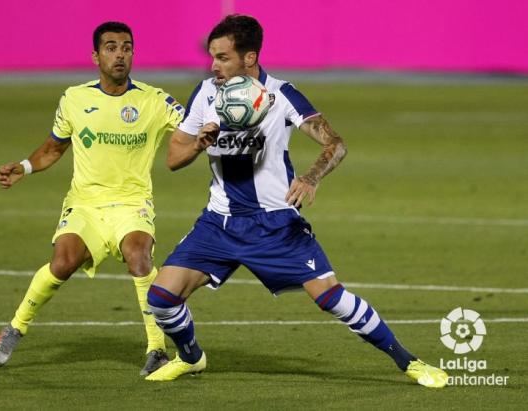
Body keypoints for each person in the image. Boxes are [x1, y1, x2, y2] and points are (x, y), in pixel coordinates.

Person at [144, 14, 448, 387]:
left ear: (249, 58)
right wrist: (198, 143)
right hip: (219, 223)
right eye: (212, 57)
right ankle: (191, 358)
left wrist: (310, 177)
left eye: (223, 57)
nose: (213, 65)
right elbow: (174, 160)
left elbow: (336, 143)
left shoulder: (281, 94)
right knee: (161, 298)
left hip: (274, 224)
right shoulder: (206, 93)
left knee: (330, 297)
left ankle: (410, 362)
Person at [0, 21, 185, 376]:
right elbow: (53, 147)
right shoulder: (75, 99)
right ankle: (16, 327)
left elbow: (192, 123)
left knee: (139, 256)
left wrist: (210, 128)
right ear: (95, 56)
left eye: (126, 47)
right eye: (110, 47)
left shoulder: (154, 101)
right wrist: (25, 167)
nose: (120, 54)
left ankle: (156, 349)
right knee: (62, 262)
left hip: (131, 203)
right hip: (86, 204)